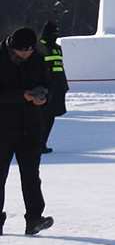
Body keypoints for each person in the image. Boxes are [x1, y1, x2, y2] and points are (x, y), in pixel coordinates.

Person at [0, 27, 53, 235]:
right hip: (3, 128)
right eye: (23, 51)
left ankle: (34, 218)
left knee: (31, 175)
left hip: (30, 127)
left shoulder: (38, 59)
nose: (27, 54)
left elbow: (49, 85)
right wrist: (22, 95)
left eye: (30, 50)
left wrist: (44, 97)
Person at [39, 20, 67, 155]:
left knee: (50, 118)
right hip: (44, 88)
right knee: (42, 117)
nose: (55, 36)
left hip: (57, 88)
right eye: (53, 33)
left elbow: (59, 67)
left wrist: (64, 86)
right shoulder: (38, 47)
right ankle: (37, 143)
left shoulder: (57, 47)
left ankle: (42, 142)